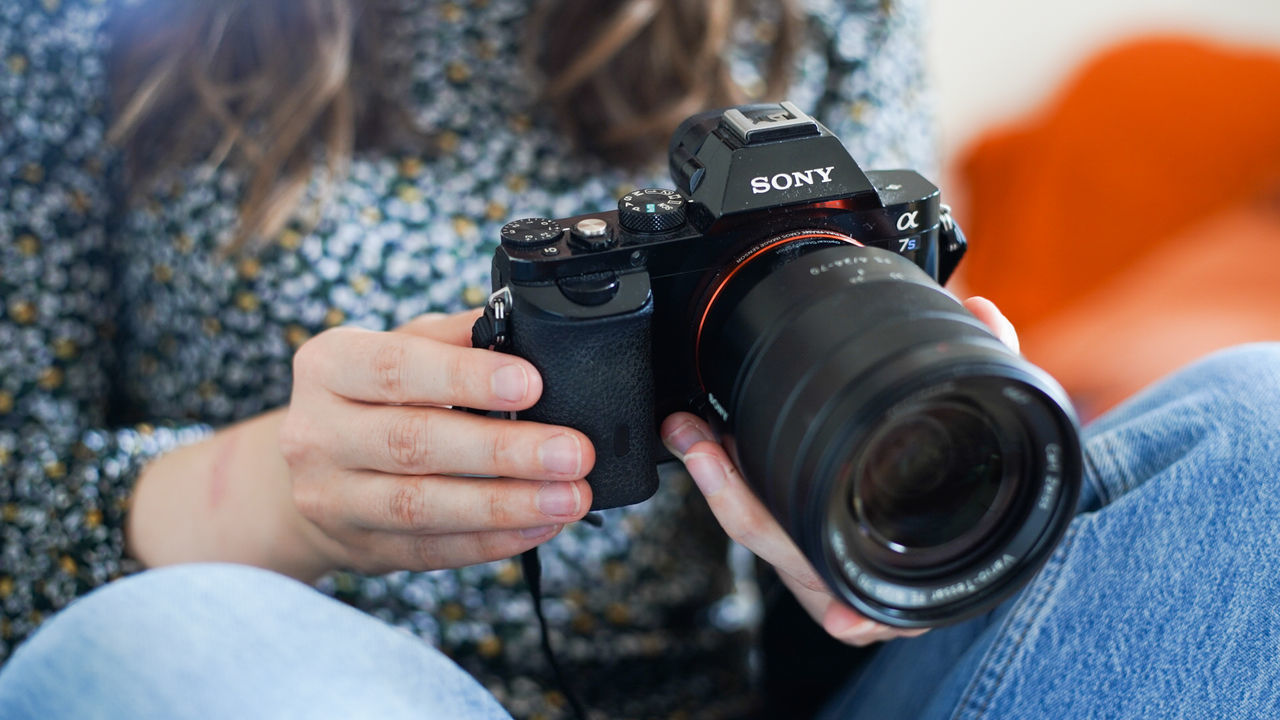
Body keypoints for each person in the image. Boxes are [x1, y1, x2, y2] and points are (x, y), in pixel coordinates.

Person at [4, 2, 1280, 720]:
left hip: (758, 696)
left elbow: (870, 296)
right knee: (169, 654)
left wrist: (896, 491)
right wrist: (277, 498)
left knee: (1258, 426)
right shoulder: (78, 31)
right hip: (317, 681)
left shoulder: (823, 11)